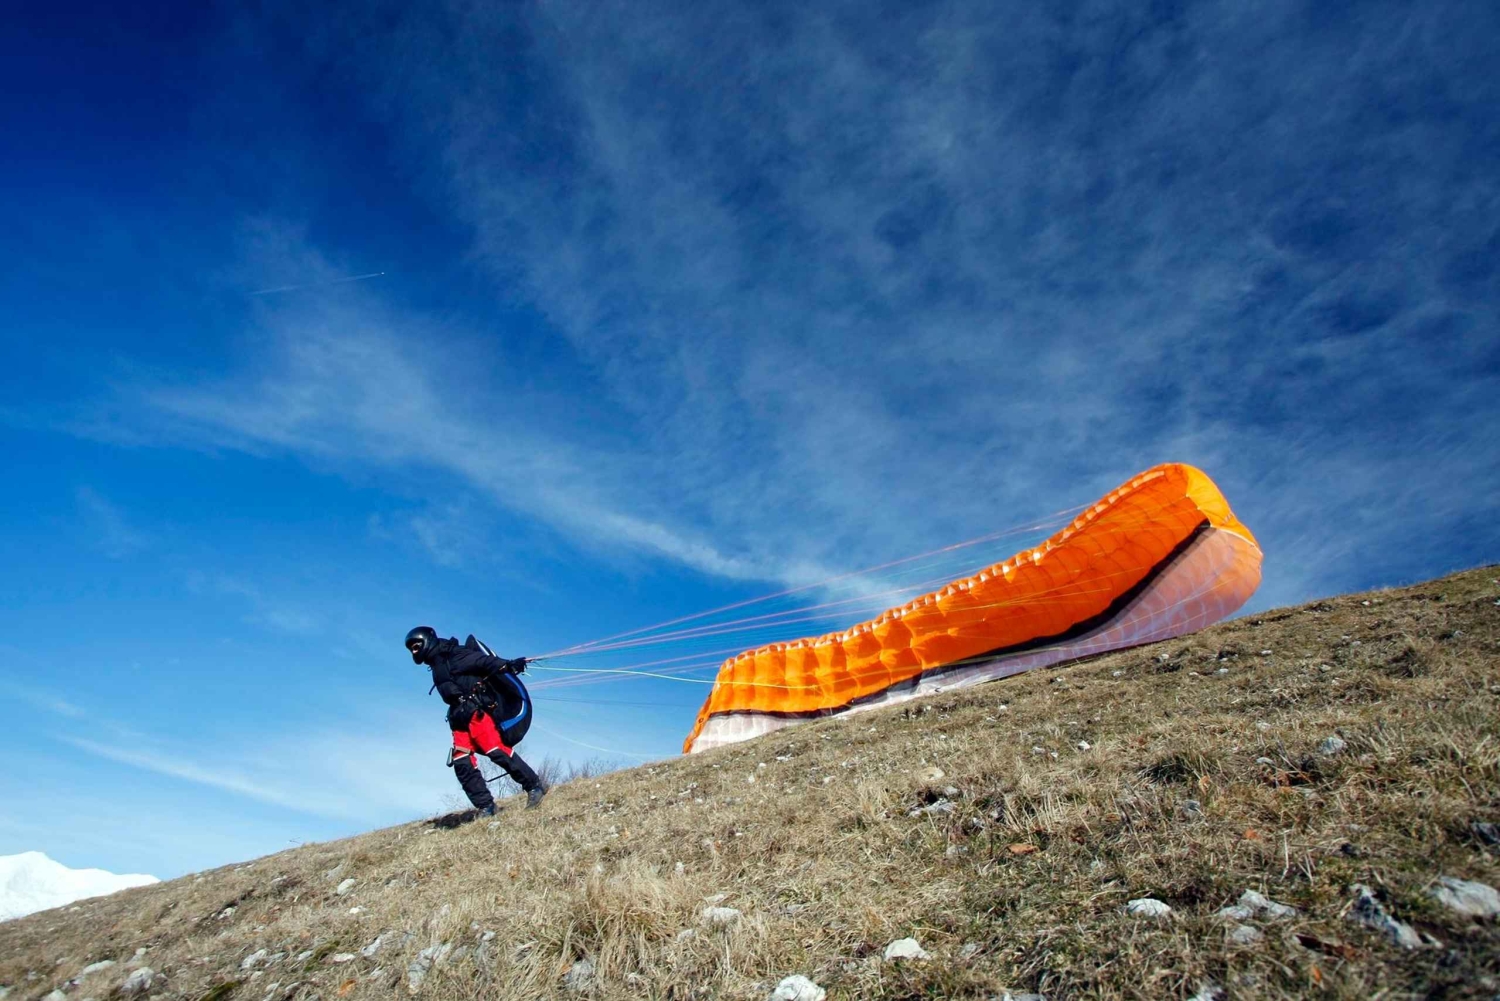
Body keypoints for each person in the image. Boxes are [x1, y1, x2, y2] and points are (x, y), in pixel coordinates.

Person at [405, 626, 548, 814]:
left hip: (475, 713)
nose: (414, 650)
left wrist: (508, 665)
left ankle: (534, 786)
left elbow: (483, 662)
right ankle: (486, 806)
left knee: (495, 750)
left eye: (416, 645)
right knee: (461, 761)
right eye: (412, 648)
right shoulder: (436, 663)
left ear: (427, 640)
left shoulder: (453, 655)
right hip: (458, 717)